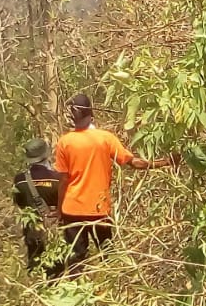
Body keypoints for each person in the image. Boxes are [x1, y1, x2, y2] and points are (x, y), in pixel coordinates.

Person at [53, 93, 176, 274]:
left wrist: (59, 209)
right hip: (99, 209)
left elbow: (63, 180)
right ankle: (109, 287)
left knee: (76, 261)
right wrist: (166, 162)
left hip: (72, 210)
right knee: (109, 256)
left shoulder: (65, 142)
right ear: (90, 114)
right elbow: (135, 163)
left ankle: (78, 288)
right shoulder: (105, 138)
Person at [12, 138, 63, 277]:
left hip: (32, 230)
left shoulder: (19, 180)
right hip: (55, 231)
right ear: (46, 154)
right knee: (57, 269)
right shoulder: (58, 178)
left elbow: (19, 203)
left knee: (35, 266)